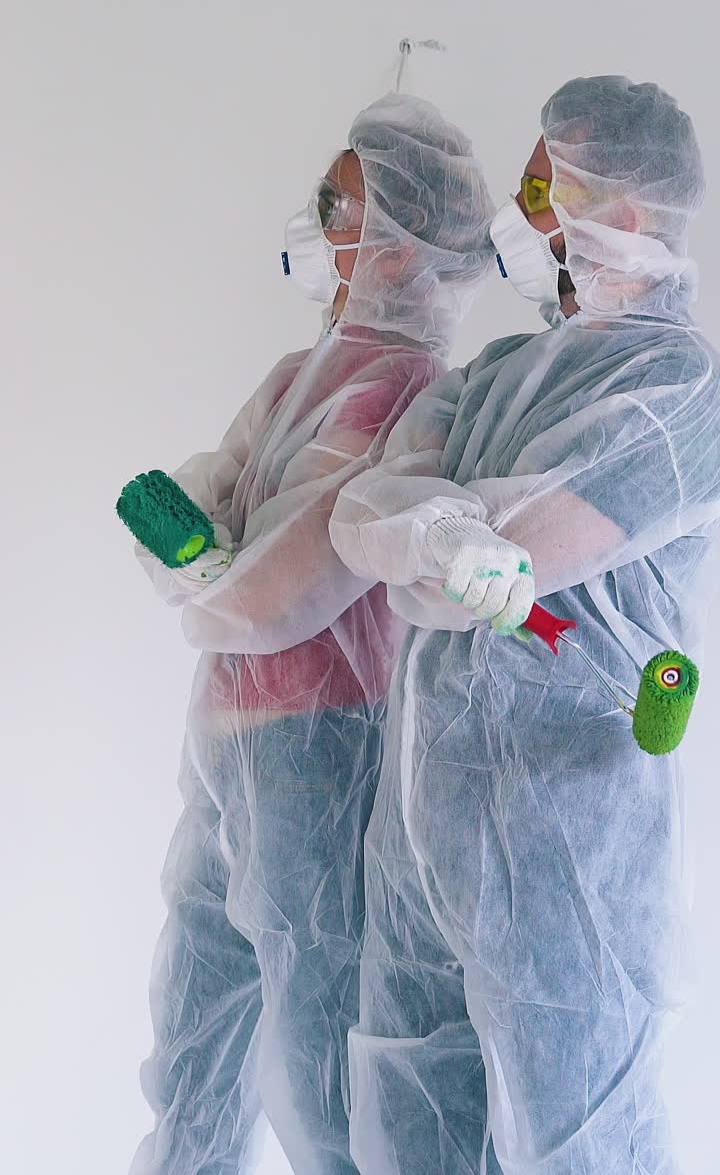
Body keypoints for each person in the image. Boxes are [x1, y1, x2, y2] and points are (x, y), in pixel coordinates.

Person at [329, 75, 720, 1174]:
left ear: (626, 212)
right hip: (421, 825)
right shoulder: (496, 370)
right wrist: (438, 537)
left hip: (567, 835)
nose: (519, 212)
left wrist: (434, 535)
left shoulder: (683, 391)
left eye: (545, 189)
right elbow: (364, 513)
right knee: (412, 1121)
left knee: (577, 1141)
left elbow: (509, 553)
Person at [129, 89, 495, 1175]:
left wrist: (206, 564)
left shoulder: (404, 392)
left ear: (400, 246)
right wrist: (211, 558)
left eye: (340, 205)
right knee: (194, 1037)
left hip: (317, 757)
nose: (319, 223)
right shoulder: (299, 377)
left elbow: (276, 590)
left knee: (317, 1053)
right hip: (228, 747)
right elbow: (207, 499)